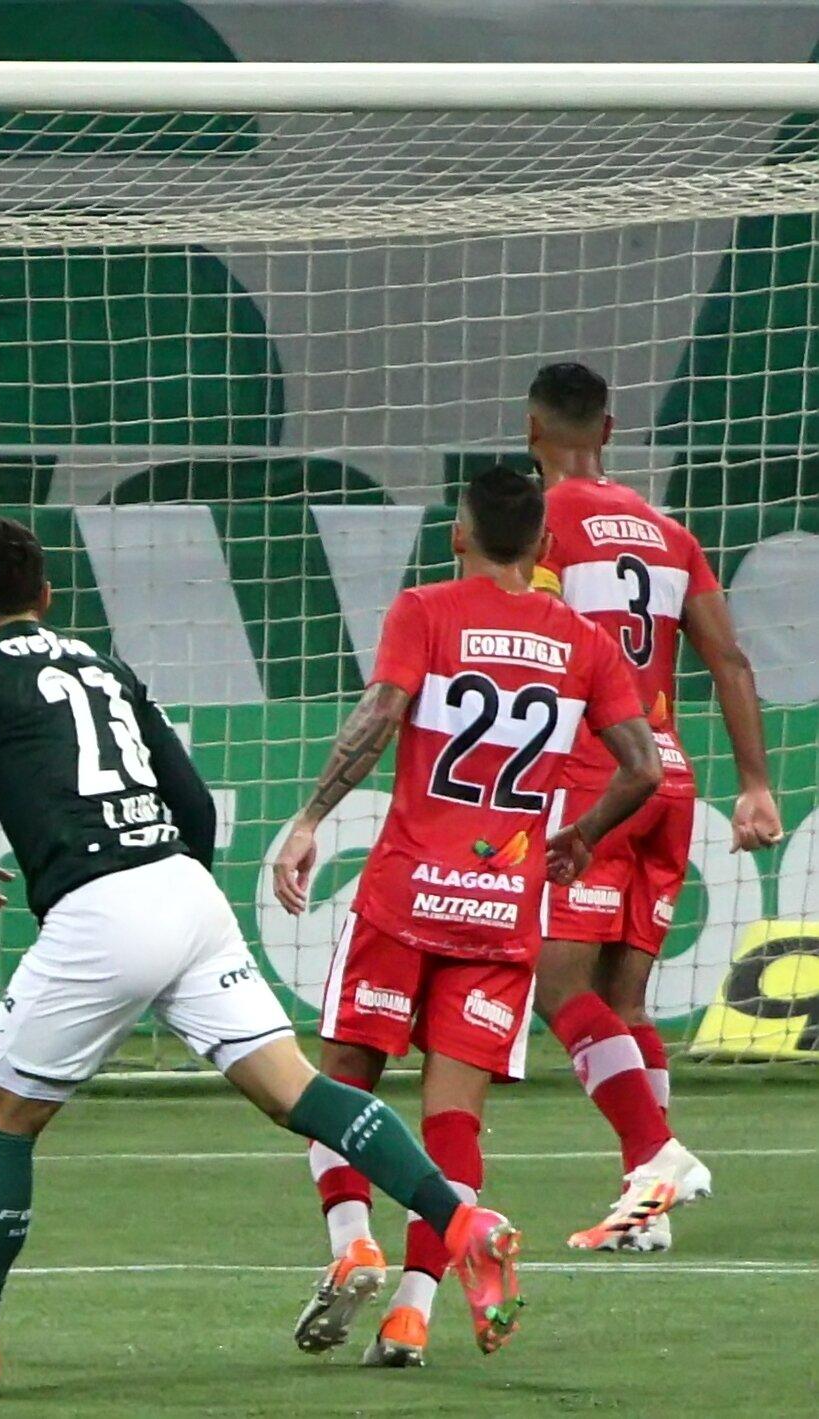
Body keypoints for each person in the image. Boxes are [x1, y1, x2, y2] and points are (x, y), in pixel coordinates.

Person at [0, 515, 523, 1397]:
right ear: (47, 593)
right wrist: (174, 903)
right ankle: (458, 1223)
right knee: (297, 1090)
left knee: (3, 1115)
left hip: (100, 907)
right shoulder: (104, 665)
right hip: (184, 889)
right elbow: (190, 800)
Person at [271, 465, 665, 1369]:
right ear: (544, 547)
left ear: (459, 533)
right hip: (501, 909)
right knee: (453, 1117)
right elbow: (641, 766)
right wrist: (581, 836)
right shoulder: (581, 640)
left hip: (406, 895)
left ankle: (350, 1245)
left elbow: (379, 715)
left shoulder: (425, 608)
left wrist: (309, 819)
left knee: (338, 1081)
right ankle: (411, 1314)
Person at [525, 362, 780, 1251]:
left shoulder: (540, 522)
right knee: (624, 1002)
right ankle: (645, 1211)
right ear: (610, 427)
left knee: (555, 986)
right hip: (671, 778)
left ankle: (656, 1150)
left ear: (530, 430)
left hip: (595, 774)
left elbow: (528, 643)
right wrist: (754, 784)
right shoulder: (670, 531)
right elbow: (730, 660)